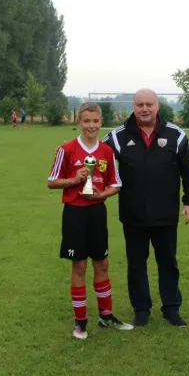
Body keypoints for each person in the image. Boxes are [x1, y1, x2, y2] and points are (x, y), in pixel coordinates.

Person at [102, 88, 189, 328]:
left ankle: (171, 308)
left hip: (165, 214)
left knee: (168, 262)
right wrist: (71, 152)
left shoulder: (176, 135)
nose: (144, 109)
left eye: (149, 104)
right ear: (133, 108)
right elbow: (96, 155)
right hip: (133, 214)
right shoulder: (117, 137)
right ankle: (141, 310)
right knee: (136, 264)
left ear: (157, 106)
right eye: (140, 105)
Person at [47, 102, 133, 339]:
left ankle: (106, 316)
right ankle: (80, 322)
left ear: (101, 122)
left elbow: (116, 184)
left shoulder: (106, 152)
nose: (91, 126)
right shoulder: (66, 150)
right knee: (79, 266)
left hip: (97, 212)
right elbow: (52, 182)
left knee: (102, 263)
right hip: (74, 213)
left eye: (95, 121)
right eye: (87, 121)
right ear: (79, 122)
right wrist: (74, 180)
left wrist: (100, 194)